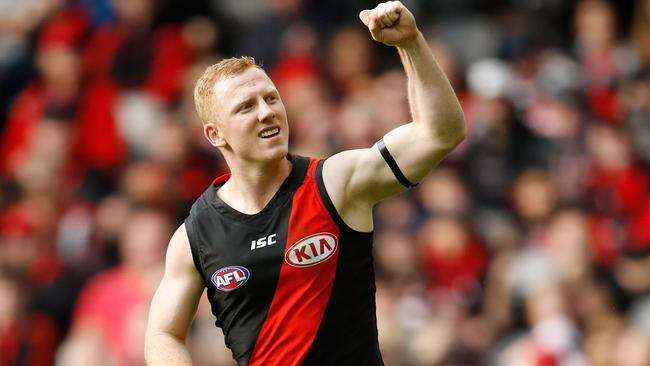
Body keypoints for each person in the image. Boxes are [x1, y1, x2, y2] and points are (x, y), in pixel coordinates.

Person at [144, 2, 465, 365]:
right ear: (215, 134)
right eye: (246, 107)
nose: (267, 111)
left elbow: (440, 134)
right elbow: (162, 334)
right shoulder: (196, 235)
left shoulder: (336, 183)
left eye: (271, 98)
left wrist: (410, 43)